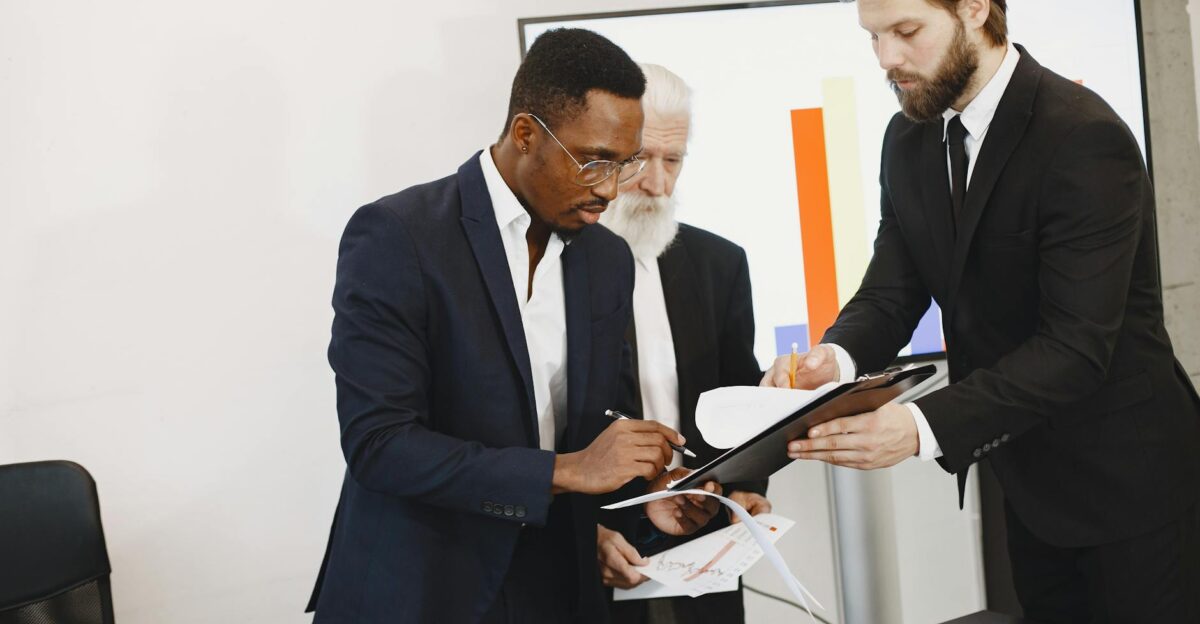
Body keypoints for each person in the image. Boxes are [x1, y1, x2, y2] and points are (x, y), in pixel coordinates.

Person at [762, 1, 1200, 621]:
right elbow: (893, 290)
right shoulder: (908, 137)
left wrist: (918, 427)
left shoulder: (1081, 136)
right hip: (1025, 479)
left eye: (907, 32)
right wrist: (830, 361)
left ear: (974, 9)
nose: (887, 58)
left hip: (1130, 487)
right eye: (874, 36)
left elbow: (1075, 349)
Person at [306, 29, 722, 624]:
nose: (610, 189)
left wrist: (647, 497)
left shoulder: (606, 259)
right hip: (420, 591)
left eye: (622, 163)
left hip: (560, 590)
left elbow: (598, 423)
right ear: (526, 134)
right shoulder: (399, 236)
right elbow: (381, 445)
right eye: (594, 161)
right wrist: (567, 471)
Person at [595, 63, 771, 624]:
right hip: (598, 553)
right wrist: (585, 531)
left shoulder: (720, 264)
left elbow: (738, 397)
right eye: (642, 158)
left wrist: (742, 487)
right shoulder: (549, 269)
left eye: (673, 160)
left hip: (703, 541)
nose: (658, 183)